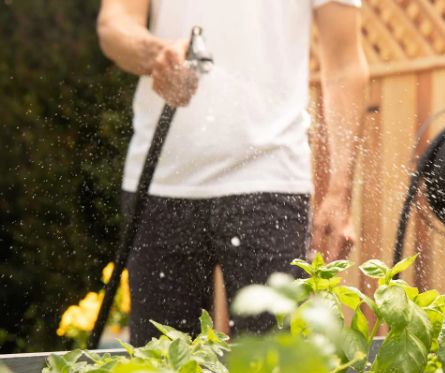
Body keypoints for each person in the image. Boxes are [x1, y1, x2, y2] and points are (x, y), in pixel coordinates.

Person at [96, 0, 369, 346]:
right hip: (163, 183)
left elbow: (344, 65)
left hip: (271, 181)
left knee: (273, 372)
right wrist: (157, 54)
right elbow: (114, 24)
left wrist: (338, 194)